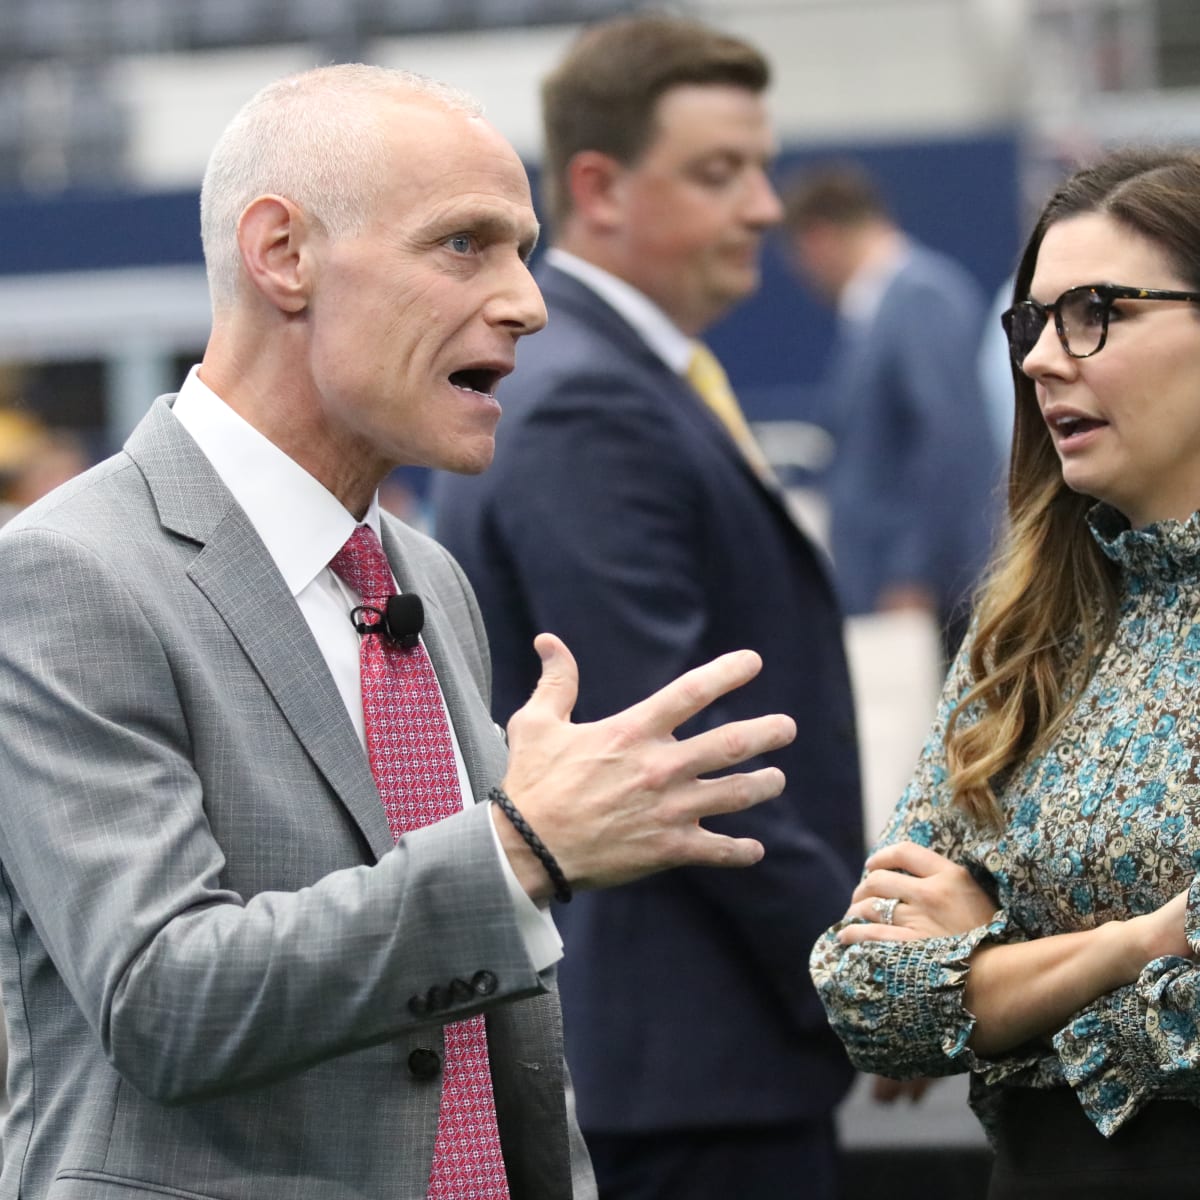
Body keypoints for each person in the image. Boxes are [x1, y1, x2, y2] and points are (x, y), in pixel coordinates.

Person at [0, 64, 800, 1200]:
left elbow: (488, 1036)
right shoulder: (66, 575)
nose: (527, 301)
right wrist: (519, 847)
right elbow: (167, 1003)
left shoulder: (423, 576)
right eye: (465, 245)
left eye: (524, 248)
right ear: (283, 255)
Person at [434, 16, 862, 1200]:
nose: (767, 207)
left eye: (762, 169)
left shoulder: (631, 383)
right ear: (598, 189)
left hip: (710, 1052)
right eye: (720, 172)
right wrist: (869, 973)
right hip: (689, 1067)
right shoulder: (589, 408)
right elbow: (673, 757)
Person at [810, 146, 1200, 1198]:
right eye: (1033, 323)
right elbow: (868, 992)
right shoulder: (1026, 622)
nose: (1039, 361)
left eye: (1095, 314)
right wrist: (1136, 948)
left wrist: (989, 978)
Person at [783, 161, 1001, 658]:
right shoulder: (885, 306)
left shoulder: (921, 299)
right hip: (901, 593)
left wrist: (914, 573)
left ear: (817, 238)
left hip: (928, 598)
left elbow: (949, 445)